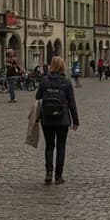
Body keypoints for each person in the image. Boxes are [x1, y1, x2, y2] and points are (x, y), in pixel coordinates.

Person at [36, 57, 80, 185]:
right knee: (61, 147)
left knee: (49, 146)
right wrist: (75, 120)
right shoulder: (66, 82)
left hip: (47, 118)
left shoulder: (44, 80)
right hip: (62, 119)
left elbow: (38, 96)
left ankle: (48, 173)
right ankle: (58, 176)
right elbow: (72, 102)